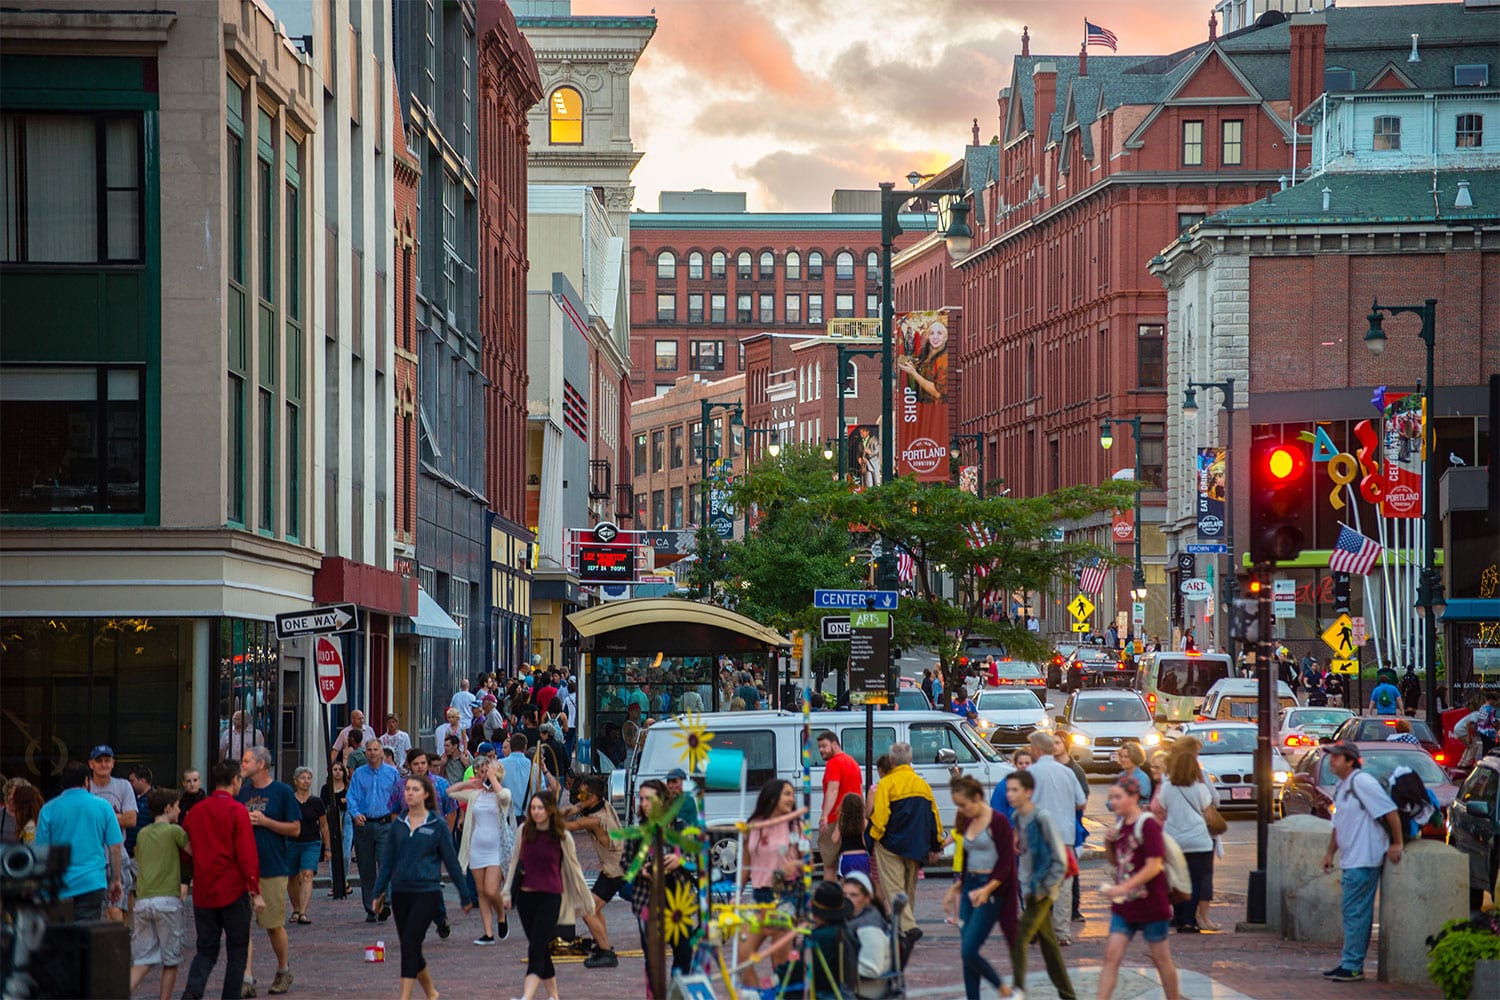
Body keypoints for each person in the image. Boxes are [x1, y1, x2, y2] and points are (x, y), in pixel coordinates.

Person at [372, 775, 476, 1000]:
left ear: (426, 794)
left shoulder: (436, 825)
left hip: (427, 891)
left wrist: (464, 895)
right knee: (410, 946)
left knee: (410, 942)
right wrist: (378, 891)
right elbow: (388, 860)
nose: (409, 793)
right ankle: (431, 991)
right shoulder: (399, 824)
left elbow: (451, 862)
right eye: (407, 789)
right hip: (401, 892)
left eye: (415, 789)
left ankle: (405, 996)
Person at [1320, 741, 1403, 983]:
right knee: (1351, 912)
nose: (1332, 761)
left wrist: (1396, 843)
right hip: (1350, 858)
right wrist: (1329, 853)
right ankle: (1349, 962)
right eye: (1331, 756)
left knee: (1356, 912)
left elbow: (1390, 812)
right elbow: (1338, 824)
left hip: (1365, 857)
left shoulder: (1362, 782)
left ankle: (1353, 965)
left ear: (1350, 761)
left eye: (1337, 757)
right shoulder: (1341, 786)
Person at [181, 760, 265, 1000]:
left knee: (205, 950)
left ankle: (193, 991)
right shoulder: (238, 811)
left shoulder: (196, 811)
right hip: (233, 889)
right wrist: (255, 889)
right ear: (236, 780)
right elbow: (247, 854)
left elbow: (185, 844)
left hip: (204, 890)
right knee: (237, 951)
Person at [501, 792, 592, 1000]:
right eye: (533, 808)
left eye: (540, 808)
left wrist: (586, 899)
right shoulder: (525, 831)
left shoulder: (561, 835)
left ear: (550, 810)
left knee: (536, 947)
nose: (536, 812)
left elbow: (575, 869)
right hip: (526, 898)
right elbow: (515, 861)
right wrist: (506, 890)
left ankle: (527, 996)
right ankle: (554, 996)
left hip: (550, 897)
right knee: (540, 947)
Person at [1098, 774, 1180, 1000]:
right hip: (1125, 906)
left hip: (1151, 903)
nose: (1112, 802)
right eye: (1111, 797)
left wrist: (1123, 888)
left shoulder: (1147, 824)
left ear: (1133, 797)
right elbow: (1119, 861)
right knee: (1111, 955)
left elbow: (1154, 865)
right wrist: (1108, 841)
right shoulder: (1119, 825)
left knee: (1161, 958)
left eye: (1118, 797)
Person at [1006, 770, 1077, 1000]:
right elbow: (1026, 856)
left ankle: (1018, 990)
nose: (1010, 794)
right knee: (1050, 947)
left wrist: (1045, 888)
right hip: (1030, 888)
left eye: (1015, 790)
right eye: (1008, 790)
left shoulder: (1041, 817)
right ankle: (1067, 994)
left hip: (1043, 890)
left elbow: (1060, 857)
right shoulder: (1017, 817)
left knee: (1019, 938)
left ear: (1028, 792)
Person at [945, 775, 1017, 1000]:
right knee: (966, 951)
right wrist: (956, 888)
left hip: (991, 890)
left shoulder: (998, 821)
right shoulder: (968, 820)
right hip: (969, 888)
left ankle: (1001, 987)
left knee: (969, 949)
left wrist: (986, 891)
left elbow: (1006, 862)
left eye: (964, 805)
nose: (962, 810)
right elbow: (967, 859)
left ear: (977, 797)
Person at [236, 747, 300, 998]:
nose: (242, 764)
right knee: (243, 926)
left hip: (272, 867)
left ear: (261, 764)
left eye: (246, 761)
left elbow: (295, 829)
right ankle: (246, 978)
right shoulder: (241, 793)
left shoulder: (282, 792)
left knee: (273, 925)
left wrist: (265, 822)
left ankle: (283, 970)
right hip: (244, 868)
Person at [868, 741, 943, 949]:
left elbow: (880, 818)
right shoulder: (922, 785)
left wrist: (872, 838)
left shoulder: (886, 784)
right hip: (916, 845)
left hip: (890, 844)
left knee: (893, 888)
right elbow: (934, 817)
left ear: (891, 760)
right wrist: (936, 845)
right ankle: (902, 930)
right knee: (909, 890)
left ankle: (908, 928)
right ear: (910, 760)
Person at [36, 760, 124, 921]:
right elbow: (114, 847)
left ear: (63, 783)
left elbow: (41, 851)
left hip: (59, 885)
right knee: (86, 937)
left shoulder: (48, 809)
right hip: (92, 882)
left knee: (61, 937)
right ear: (86, 781)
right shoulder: (104, 807)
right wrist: (115, 880)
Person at [742, 780, 806, 983]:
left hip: (785, 896)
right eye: (786, 794)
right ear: (772, 796)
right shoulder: (753, 825)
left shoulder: (795, 825)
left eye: (792, 794)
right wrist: (735, 895)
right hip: (758, 897)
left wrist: (795, 864)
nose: (791, 798)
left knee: (780, 960)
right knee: (742, 956)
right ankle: (757, 995)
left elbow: (808, 863)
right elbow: (745, 865)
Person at [447, 756, 515, 945]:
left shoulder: (503, 793)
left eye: (489, 772)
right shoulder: (476, 795)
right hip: (476, 847)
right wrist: (470, 783)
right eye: (483, 772)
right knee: (481, 891)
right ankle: (488, 933)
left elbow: (504, 798)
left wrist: (493, 778)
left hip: (496, 849)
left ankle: (501, 916)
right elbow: (450, 792)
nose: (485, 775)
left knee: (492, 890)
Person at [1152, 738, 1216, 933]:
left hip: (1173, 839)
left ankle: (1178, 917)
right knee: (1196, 881)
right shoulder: (1200, 788)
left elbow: (1160, 810)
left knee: (1176, 879)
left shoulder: (1168, 788)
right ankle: (1189, 920)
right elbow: (1209, 812)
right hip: (1199, 840)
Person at [130, 788, 188, 1000]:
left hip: (143, 901)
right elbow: (193, 851)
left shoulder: (143, 834)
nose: (180, 810)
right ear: (168, 808)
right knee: (171, 959)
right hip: (167, 900)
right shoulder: (174, 831)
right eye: (177, 806)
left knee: (143, 960)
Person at [559, 775, 623, 968]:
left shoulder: (596, 819)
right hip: (612, 869)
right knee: (594, 908)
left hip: (616, 871)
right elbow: (573, 809)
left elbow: (570, 825)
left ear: (593, 797)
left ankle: (606, 954)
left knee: (588, 911)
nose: (580, 797)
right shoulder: (601, 804)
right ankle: (603, 944)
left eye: (584, 794)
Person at [349, 737, 403, 922]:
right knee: (366, 869)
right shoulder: (358, 774)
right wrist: (355, 813)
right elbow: (352, 797)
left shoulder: (392, 773)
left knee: (385, 864)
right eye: (369, 750)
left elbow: (399, 798)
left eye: (375, 750)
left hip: (384, 825)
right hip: (364, 826)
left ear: (382, 752)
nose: (372, 753)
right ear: (365, 753)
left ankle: (385, 903)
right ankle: (371, 907)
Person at [86, 744, 137, 920]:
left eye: (107, 760)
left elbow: (131, 819)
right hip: (92, 858)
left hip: (118, 856)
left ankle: (119, 944)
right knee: (93, 912)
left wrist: (100, 819)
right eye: (99, 761)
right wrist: (116, 818)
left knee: (115, 911)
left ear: (113, 763)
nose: (103, 764)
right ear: (91, 764)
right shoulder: (85, 788)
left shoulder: (123, 786)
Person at [785, 881, 861, 999]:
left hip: (824, 994)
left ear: (816, 914)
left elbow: (795, 971)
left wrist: (779, 973)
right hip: (845, 992)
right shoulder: (848, 931)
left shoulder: (819, 937)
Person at [818, 730, 862, 881]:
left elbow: (833, 789)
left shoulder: (833, 763)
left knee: (829, 865)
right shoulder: (853, 762)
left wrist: (824, 815)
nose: (821, 750)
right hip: (854, 820)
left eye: (824, 746)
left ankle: (829, 901)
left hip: (834, 819)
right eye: (819, 747)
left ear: (835, 744)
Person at [285, 767, 327, 926]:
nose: (306, 781)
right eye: (302, 778)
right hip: (292, 842)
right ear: (295, 781)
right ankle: (295, 909)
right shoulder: (289, 801)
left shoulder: (316, 802)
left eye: (309, 778)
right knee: (292, 877)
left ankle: (303, 912)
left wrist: (328, 848)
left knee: (307, 874)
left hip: (312, 842)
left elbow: (324, 826)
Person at [320, 760, 352, 882]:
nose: (338, 772)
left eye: (340, 770)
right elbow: (323, 804)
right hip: (331, 818)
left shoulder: (348, 787)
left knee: (345, 853)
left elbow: (352, 803)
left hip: (346, 817)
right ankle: (335, 882)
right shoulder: (326, 788)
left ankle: (343, 880)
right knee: (333, 850)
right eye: (335, 770)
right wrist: (341, 802)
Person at [990, 749, 1033, 825]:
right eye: (1020, 763)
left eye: (1027, 763)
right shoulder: (1004, 785)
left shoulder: (1038, 783)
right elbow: (997, 810)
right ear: (1015, 764)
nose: (1024, 766)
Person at [835, 793, 870, 878]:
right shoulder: (864, 822)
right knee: (863, 882)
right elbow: (866, 842)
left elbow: (834, 839)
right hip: (862, 856)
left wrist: (838, 826)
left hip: (846, 856)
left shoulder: (842, 822)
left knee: (847, 883)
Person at [500, 734, 535, 821]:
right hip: (528, 817)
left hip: (506, 816)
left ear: (511, 747)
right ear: (525, 747)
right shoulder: (535, 767)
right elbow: (541, 791)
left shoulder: (499, 765)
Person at [1113, 743, 1152, 809]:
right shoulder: (1120, 776)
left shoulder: (1142, 778)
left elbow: (1140, 802)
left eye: (1126, 757)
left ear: (1135, 758)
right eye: (1121, 756)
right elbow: (1110, 803)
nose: (1123, 759)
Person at [1477, 691, 1499, 757]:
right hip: (1489, 733)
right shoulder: (1491, 709)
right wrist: (1497, 722)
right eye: (1495, 700)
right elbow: (1493, 722)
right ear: (1491, 699)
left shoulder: (1482, 707)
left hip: (1481, 731)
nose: (1495, 702)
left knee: (1485, 749)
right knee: (1490, 750)